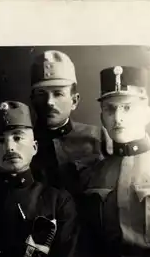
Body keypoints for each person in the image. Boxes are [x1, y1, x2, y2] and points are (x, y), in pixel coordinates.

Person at [0, 100, 80, 257]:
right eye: (0, 141)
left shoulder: (58, 201)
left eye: (17, 138)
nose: (10, 148)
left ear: (34, 147)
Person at [82, 65, 150, 257]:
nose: (118, 118)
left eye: (127, 107)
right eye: (109, 109)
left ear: (147, 114)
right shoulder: (91, 175)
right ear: (102, 118)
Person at [29, 50, 105, 198]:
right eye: (41, 94)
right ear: (32, 100)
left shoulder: (99, 138)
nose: (49, 102)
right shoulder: (21, 144)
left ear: (74, 101)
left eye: (58, 94)